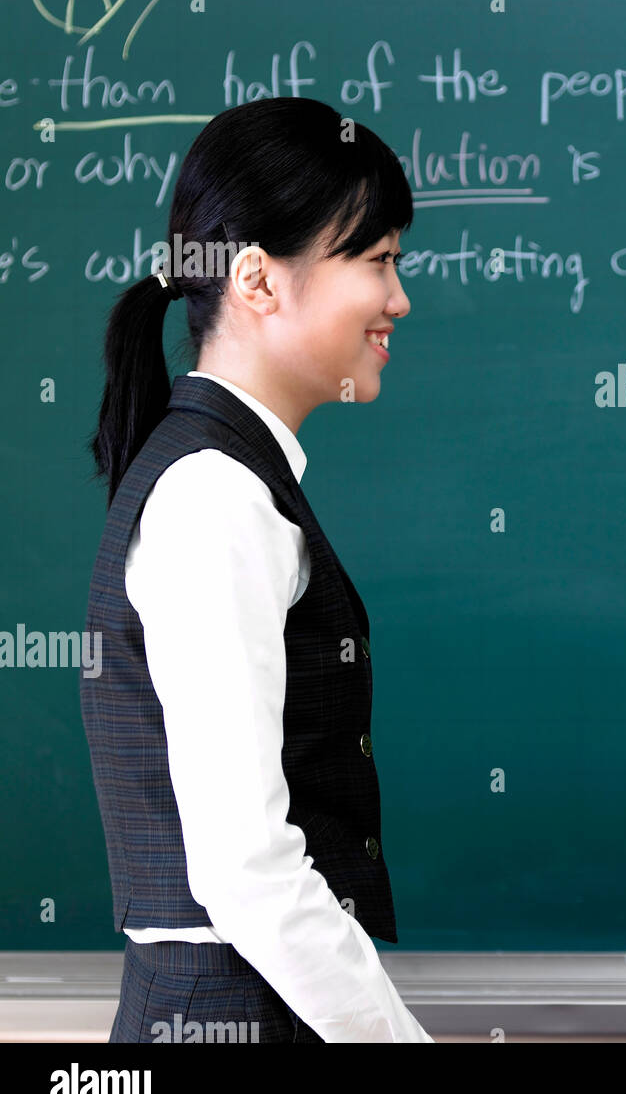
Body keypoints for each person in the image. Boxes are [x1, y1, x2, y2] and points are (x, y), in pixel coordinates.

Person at [82, 97, 432, 1042]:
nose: (399, 298)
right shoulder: (217, 499)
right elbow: (247, 867)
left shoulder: (225, 479)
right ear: (258, 280)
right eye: (378, 260)